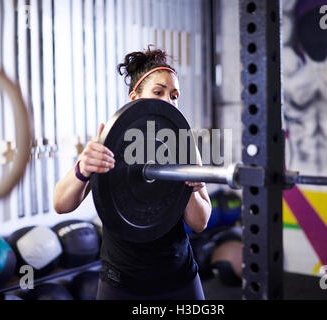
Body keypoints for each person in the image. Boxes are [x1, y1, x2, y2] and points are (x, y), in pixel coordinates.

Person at [53, 46, 212, 300]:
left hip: (178, 277)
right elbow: (61, 204)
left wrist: (191, 188)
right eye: (158, 92)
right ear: (135, 97)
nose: (168, 101)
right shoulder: (112, 141)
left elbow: (200, 222)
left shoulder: (184, 144)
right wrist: (83, 169)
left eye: (174, 95)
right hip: (122, 283)